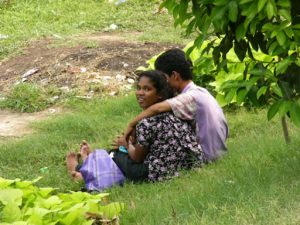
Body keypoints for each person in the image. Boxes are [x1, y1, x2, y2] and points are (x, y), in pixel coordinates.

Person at [66, 70, 204, 189]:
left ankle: (80, 169)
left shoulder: (146, 123)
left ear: (160, 95)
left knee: (117, 155)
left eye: (147, 89)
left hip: (155, 173)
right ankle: (90, 164)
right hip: (183, 167)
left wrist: (125, 144)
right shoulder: (176, 112)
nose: (140, 93)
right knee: (120, 153)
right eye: (139, 88)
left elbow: (137, 158)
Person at [124, 49, 228, 162]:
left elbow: (157, 109)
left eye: (163, 78)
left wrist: (131, 124)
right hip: (217, 153)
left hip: (206, 158)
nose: (162, 83)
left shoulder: (190, 97)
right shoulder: (201, 91)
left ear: (174, 75)